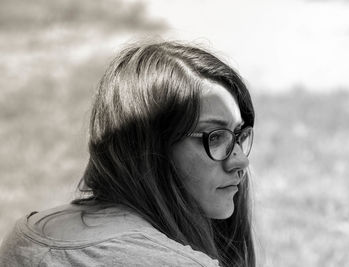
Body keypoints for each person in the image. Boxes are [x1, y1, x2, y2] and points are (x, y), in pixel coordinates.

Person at [0, 41, 256, 267]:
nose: (240, 160)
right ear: (149, 147)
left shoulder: (27, 235)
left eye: (238, 134)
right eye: (215, 136)